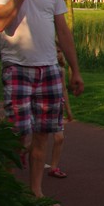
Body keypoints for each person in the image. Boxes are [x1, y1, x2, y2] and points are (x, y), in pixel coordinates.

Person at [0, 0, 85, 204]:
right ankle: (8, 196)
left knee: (43, 134)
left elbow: (63, 32)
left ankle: (35, 192)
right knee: (18, 134)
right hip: (17, 67)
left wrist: (75, 70)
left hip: (49, 69)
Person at [46, 43, 76, 178]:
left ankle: (53, 167)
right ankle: (23, 151)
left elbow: (64, 90)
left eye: (59, 51)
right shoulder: (44, 69)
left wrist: (68, 110)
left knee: (59, 138)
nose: (58, 54)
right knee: (40, 138)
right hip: (44, 107)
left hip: (58, 106)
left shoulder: (61, 70)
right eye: (55, 51)